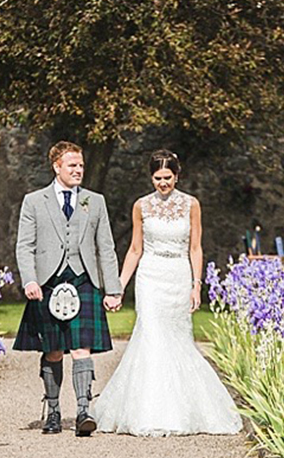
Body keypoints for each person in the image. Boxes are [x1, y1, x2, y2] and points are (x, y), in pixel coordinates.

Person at [91, 150, 242, 436]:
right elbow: (135, 249)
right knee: (150, 336)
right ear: (151, 177)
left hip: (178, 275)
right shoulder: (141, 206)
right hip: (150, 276)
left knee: (178, 340)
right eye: (158, 178)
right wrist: (118, 286)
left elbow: (195, 248)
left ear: (177, 175)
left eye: (168, 178)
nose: (163, 184)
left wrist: (197, 285)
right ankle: (148, 410)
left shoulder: (191, 205)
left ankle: (183, 409)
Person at [13, 141, 124, 436]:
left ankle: (84, 411)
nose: (78, 170)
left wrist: (113, 289)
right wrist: (30, 280)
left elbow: (106, 248)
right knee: (53, 351)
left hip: (83, 279)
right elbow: (25, 246)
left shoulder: (94, 201)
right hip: (47, 282)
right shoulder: (34, 201)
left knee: (80, 347)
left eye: (81, 165)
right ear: (56, 166)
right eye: (72, 165)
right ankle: (52, 411)